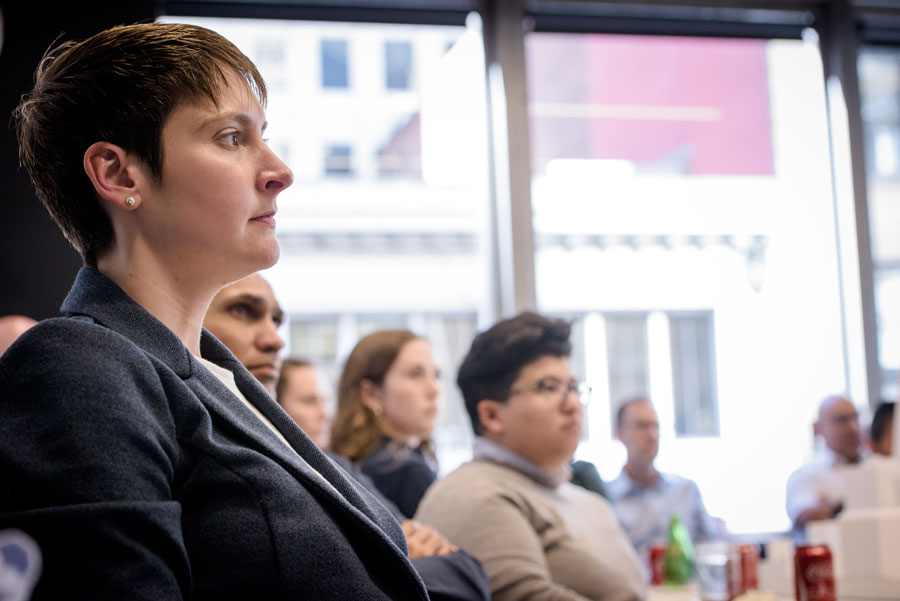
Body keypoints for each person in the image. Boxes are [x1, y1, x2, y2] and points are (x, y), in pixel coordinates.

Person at [0, 22, 429, 600]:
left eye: (263, 136)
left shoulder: (221, 377)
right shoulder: (77, 366)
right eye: (232, 137)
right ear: (119, 173)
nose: (280, 171)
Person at [203, 274, 491, 601]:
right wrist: (395, 561)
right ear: (370, 394)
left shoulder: (336, 465)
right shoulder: (398, 468)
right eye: (242, 311)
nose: (275, 340)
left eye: (436, 375)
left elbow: (467, 570)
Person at [415, 311, 646, 601]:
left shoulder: (587, 500)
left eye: (573, 387)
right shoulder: (471, 493)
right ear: (491, 415)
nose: (572, 403)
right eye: (548, 387)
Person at [330, 329, 441, 518]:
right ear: (372, 394)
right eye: (416, 374)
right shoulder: (407, 472)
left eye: (437, 374)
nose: (434, 389)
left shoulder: (347, 466)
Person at [607, 397, 721, 571]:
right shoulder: (605, 499)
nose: (652, 435)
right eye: (642, 426)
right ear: (620, 434)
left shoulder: (686, 491)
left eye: (656, 426)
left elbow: (713, 555)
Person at [786, 394, 863, 535]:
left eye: (855, 418)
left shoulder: (876, 464)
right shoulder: (807, 475)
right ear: (818, 428)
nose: (853, 427)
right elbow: (803, 515)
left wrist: (830, 509)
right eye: (842, 420)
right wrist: (847, 507)